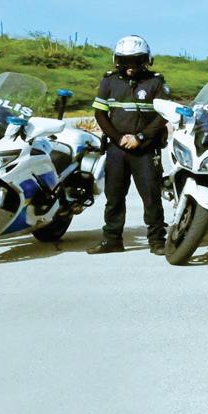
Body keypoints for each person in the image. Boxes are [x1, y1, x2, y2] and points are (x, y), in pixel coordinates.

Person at [89, 36, 171, 255]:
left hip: (145, 149)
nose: (130, 66)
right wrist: (118, 138)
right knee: (114, 197)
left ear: (146, 60)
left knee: (151, 196)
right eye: (125, 61)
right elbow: (100, 114)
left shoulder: (156, 82)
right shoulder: (109, 81)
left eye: (136, 61)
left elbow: (163, 116)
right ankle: (112, 240)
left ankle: (157, 241)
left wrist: (141, 138)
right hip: (117, 148)